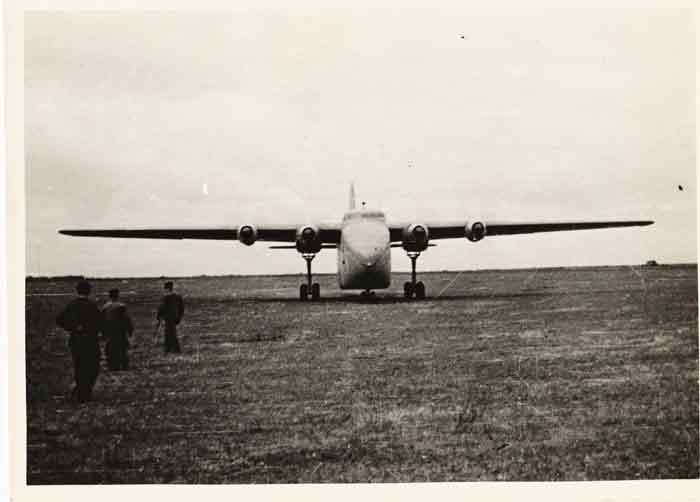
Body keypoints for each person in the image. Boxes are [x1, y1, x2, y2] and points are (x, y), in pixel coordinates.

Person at [55, 279, 102, 403]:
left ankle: (81, 392)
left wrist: (74, 328)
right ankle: (85, 392)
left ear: (77, 291)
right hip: (90, 341)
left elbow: (60, 319)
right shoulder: (92, 305)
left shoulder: (72, 305)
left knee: (79, 366)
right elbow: (100, 322)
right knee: (92, 367)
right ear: (89, 291)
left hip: (76, 341)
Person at [101, 288, 134, 370]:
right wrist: (130, 330)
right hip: (120, 331)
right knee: (122, 349)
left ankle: (112, 365)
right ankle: (123, 365)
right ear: (117, 295)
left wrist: (103, 332)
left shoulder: (105, 306)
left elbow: (102, 320)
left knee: (110, 349)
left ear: (109, 296)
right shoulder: (121, 306)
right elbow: (126, 319)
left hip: (109, 331)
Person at [157, 281, 185, 353]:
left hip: (168, 318)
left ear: (167, 288)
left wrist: (159, 316)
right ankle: (170, 349)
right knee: (171, 333)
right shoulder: (178, 296)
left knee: (169, 333)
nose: (164, 290)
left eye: (165, 288)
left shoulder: (166, 297)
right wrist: (179, 317)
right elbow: (182, 308)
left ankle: (172, 350)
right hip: (175, 317)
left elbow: (162, 308)